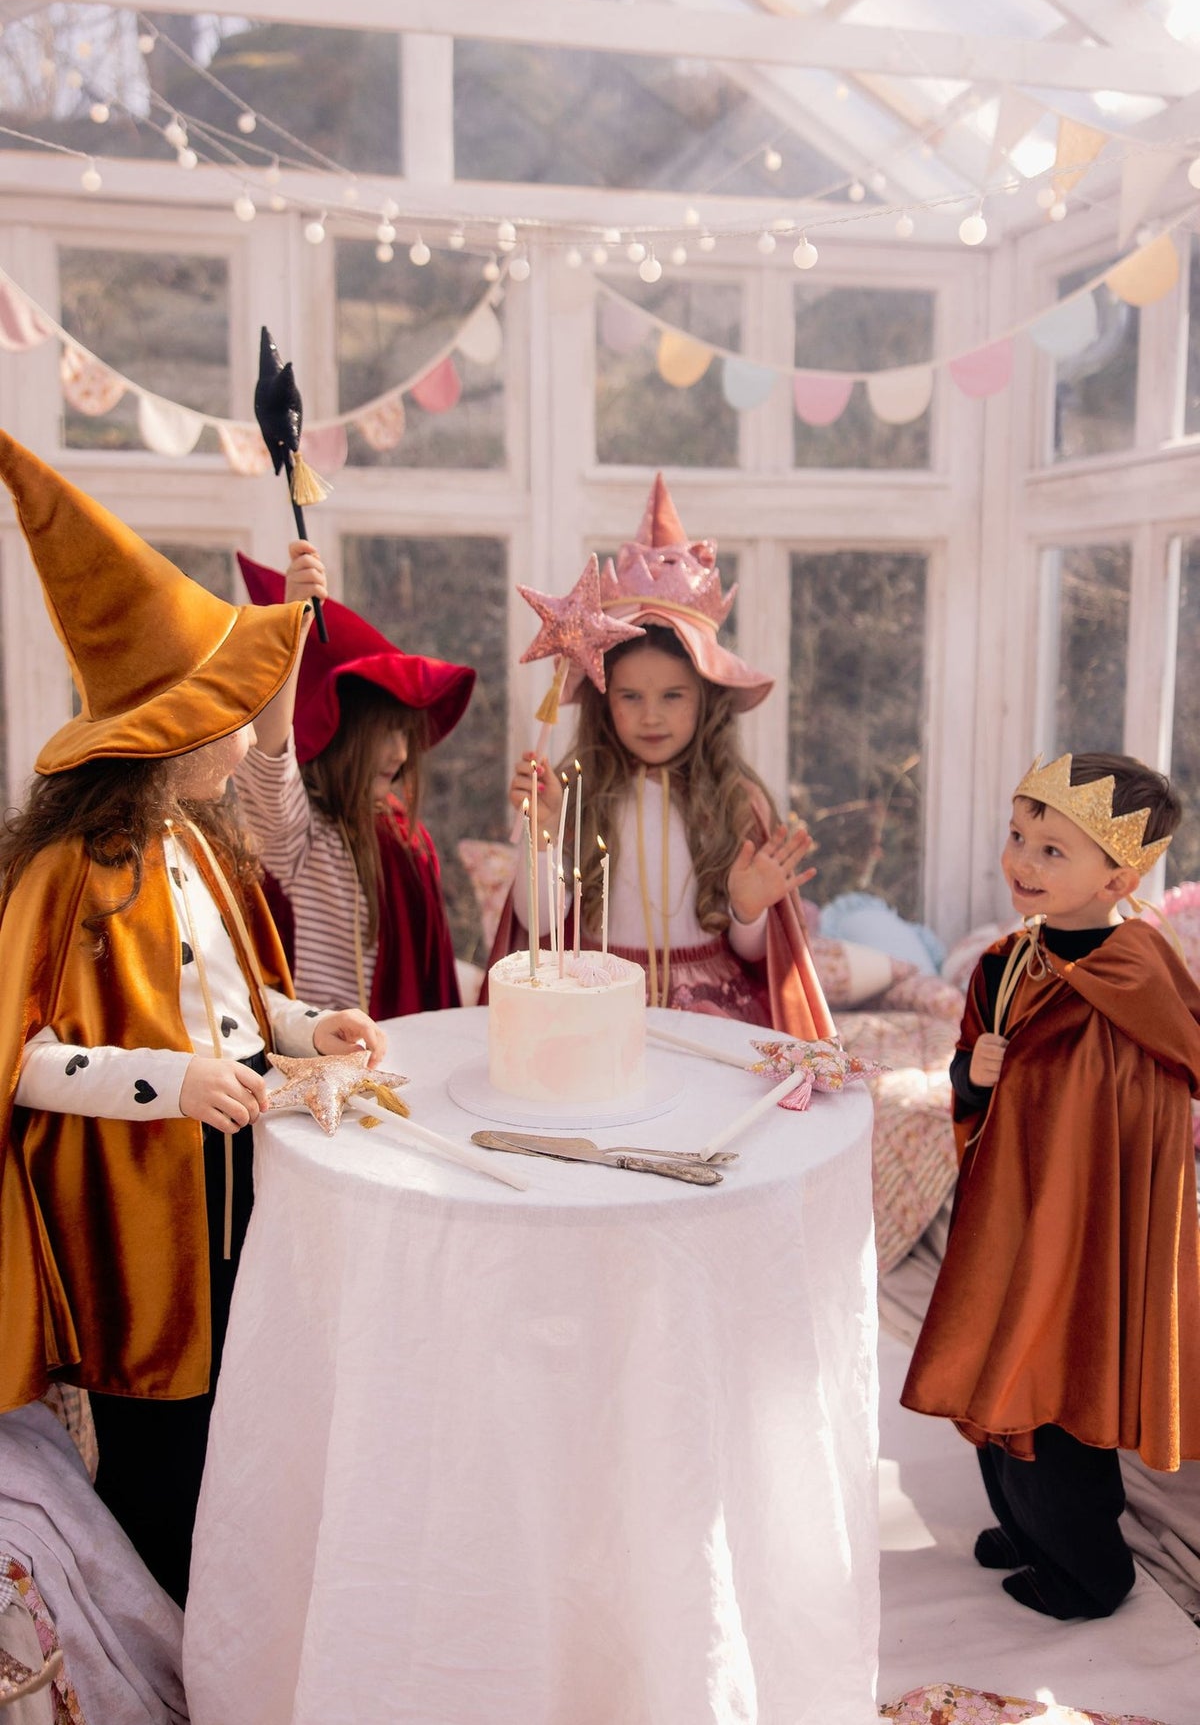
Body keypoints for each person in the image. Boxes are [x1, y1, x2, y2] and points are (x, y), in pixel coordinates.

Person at [0, 431, 386, 1606]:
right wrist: (168, 1084)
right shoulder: (65, 870)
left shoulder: (198, 845)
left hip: (233, 1192)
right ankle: (153, 1629)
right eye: (231, 717)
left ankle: (230, 1614)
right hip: (133, 1212)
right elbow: (23, 1057)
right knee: (158, 1450)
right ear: (165, 735)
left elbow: (235, 997)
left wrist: (309, 1023)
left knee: (238, 1413)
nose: (250, 736)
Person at [901, 751, 1200, 1620]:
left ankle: (1085, 1573)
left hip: (1084, 1232)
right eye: (1018, 836)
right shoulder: (1003, 964)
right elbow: (970, 1080)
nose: (1023, 862)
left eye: (1053, 850)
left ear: (1122, 874)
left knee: (1051, 1390)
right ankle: (1028, 1531)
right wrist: (974, 1073)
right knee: (996, 1370)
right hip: (1008, 1212)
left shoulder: (1139, 973)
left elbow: (1161, 1088)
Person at [489, 474, 834, 1039]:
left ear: (707, 701)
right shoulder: (574, 792)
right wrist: (544, 835)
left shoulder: (735, 800)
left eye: (673, 696)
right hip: (595, 1007)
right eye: (631, 696)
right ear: (604, 702)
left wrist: (748, 910)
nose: (652, 716)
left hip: (709, 1015)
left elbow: (755, 952)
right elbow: (541, 925)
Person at [234, 545, 475, 1018]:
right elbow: (267, 759)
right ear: (336, 732)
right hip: (313, 1064)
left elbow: (427, 974)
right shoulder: (298, 837)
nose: (402, 754)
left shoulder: (405, 837)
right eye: (384, 735)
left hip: (393, 1056)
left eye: (406, 735)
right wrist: (290, 632)